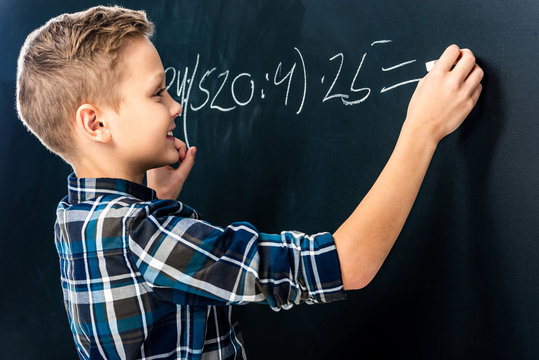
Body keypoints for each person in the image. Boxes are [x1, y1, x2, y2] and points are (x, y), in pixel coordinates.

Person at [15, 5, 483, 360]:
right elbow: (347, 264)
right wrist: (423, 129)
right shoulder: (147, 238)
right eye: (157, 92)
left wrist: (155, 197)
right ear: (96, 125)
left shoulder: (74, 218)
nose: (176, 106)